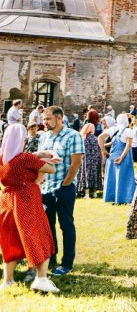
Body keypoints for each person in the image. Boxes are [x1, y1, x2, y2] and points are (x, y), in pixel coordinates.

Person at [0, 124, 62, 293]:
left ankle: (8, 280)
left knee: (10, 239)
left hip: (7, 201)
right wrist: (46, 157)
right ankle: (41, 278)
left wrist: (36, 154)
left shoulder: (2, 159)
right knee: (39, 235)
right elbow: (51, 169)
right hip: (27, 200)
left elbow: (15, 160)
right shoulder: (26, 159)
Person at [38, 106, 83, 276]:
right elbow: (41, 162)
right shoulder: (44, 137)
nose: (45, 122)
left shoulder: (73, 135)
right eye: (44, 119)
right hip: (46, 188)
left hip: (64, 187)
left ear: (59, 118)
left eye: (48, 119)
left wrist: (65, 184)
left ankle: (67, 263)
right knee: (47, 227)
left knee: (66, 225)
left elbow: (75, 163)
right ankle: (51, 258)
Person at [101, 113, 135, 204]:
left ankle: (112, 198)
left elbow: (100, 138)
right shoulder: (128, 130)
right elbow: (128, 145)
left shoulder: (113, 129)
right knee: (124, 177)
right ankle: (123, 198)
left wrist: (103, 150)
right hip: (123, 155)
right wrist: (121, 157)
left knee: (112, 177)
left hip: (112, 156)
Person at [76, 122, 102, 198]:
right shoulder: (95, 138)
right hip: (95, 159)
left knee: (85, 174)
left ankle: (86, 194)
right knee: (95, 174)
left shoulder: (82, 138)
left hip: (85, 158)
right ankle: (94, 193)